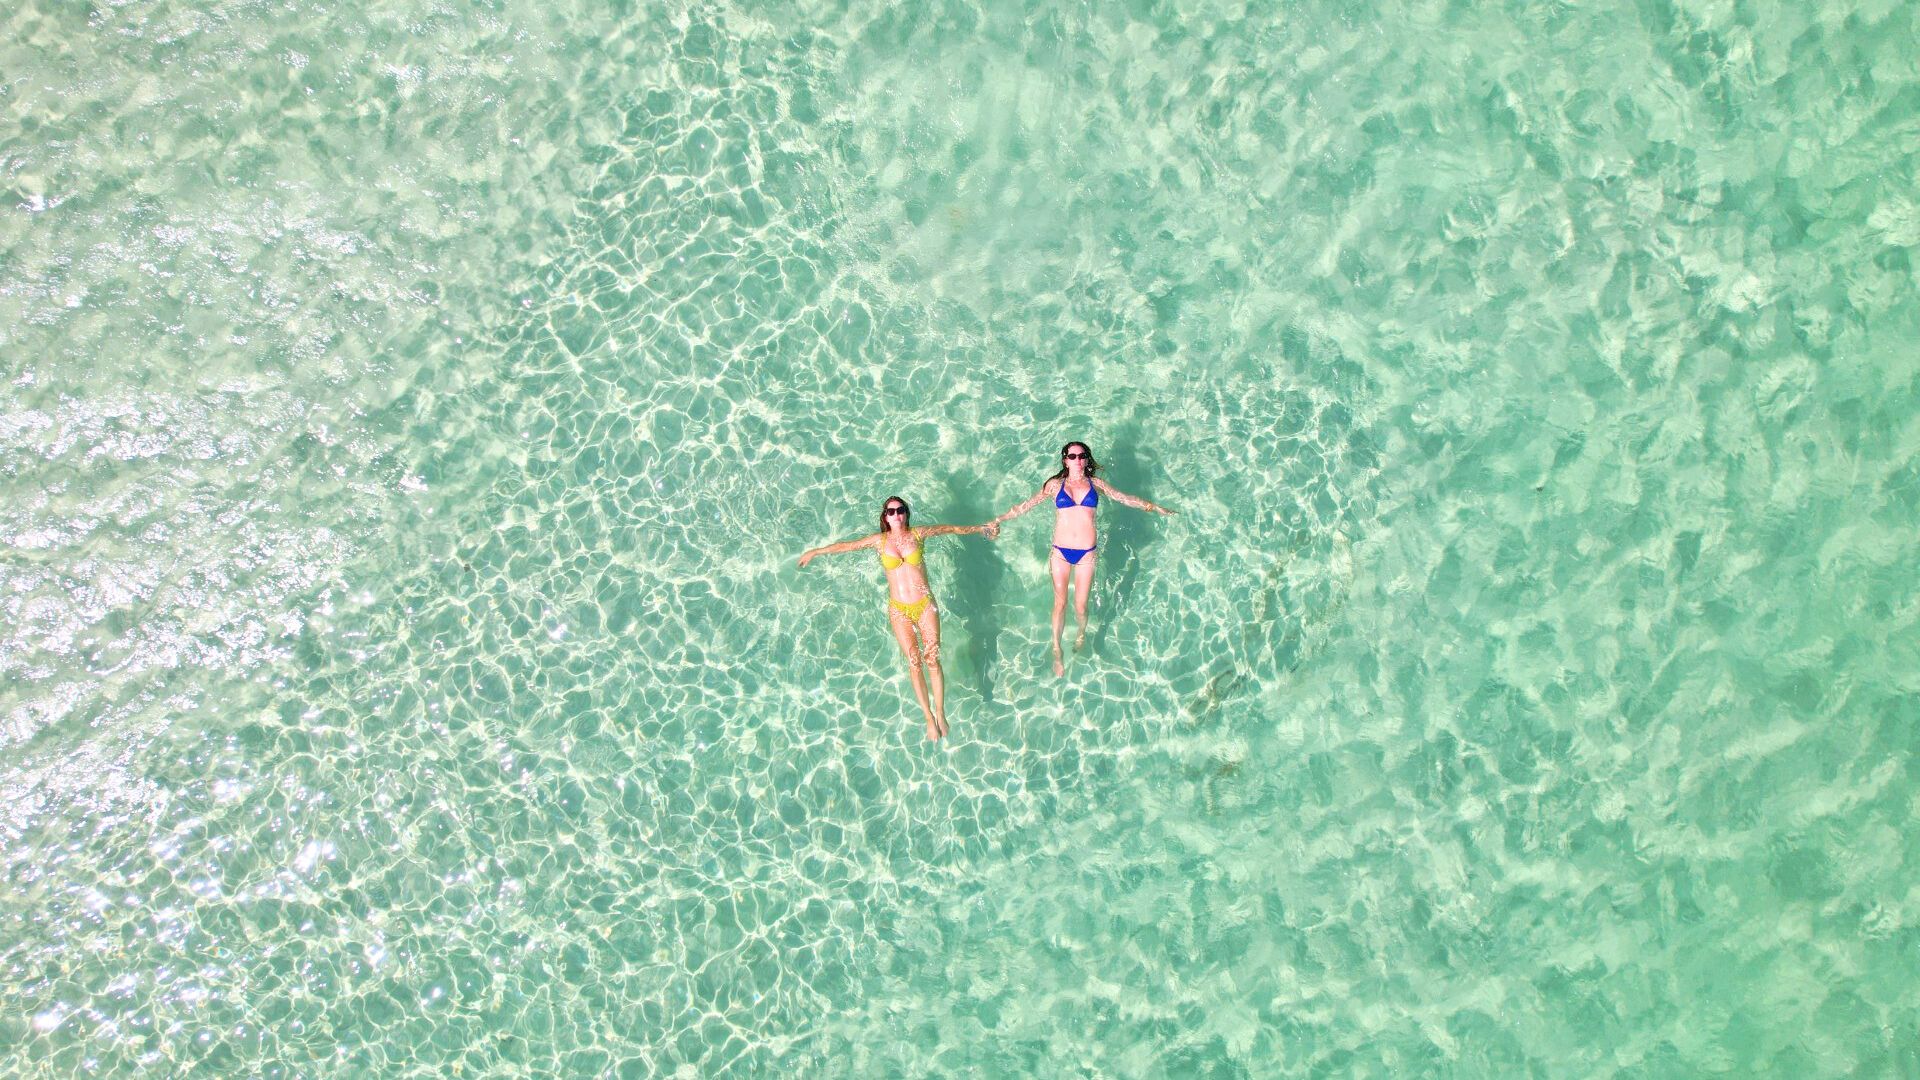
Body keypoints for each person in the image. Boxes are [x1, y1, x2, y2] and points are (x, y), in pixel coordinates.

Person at [799, 497, 998, 740]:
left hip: (925, 605)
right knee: (914, 663)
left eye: (901, 510)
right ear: (885, 516)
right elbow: (846, 546)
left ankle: (940, 711)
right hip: (899, 610)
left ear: (906, 513)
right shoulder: (879, 542)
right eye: (891, 511)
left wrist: (981, 528)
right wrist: (816, 552)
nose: (897, 515)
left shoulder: (918, 535)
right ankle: (928, 717)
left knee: (932, 659)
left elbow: (951, 528)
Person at [990, 441, 1175, 676]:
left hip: (1087, 554)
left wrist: (1155, 507)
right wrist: (999, 519)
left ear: (1087, 460)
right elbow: (1025, 506)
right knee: (1060, 603)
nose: (1077, 460)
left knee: (1080, 605)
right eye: (1072, 456)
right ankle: (1057, 649)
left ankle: (1081, 633)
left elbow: (1125, 498)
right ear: (1064, 460)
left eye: (1082, 456)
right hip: (1060, 553)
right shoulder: (1054, 486)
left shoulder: (1096, 484)